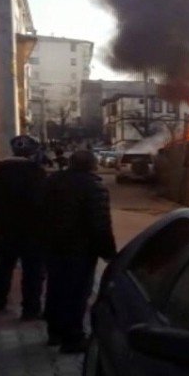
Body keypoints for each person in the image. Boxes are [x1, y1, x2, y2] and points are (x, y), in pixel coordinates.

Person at [44, 150, 116, 353]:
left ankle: (54, 332)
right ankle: (73, 338)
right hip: (80, 250)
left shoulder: (52, 182)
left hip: (53, 246)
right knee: (77, 293)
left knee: (55, 288)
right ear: (92, 165)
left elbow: (40, 211)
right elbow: (100, 224)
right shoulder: (94, 187)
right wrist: (109, 252)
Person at [0, 135, 47, 320]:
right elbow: (41, 203)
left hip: (4, 231)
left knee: (2, 268)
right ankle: (30, 310)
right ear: (32, 152)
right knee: (33, 271)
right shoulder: (36, 172)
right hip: (32, 232)